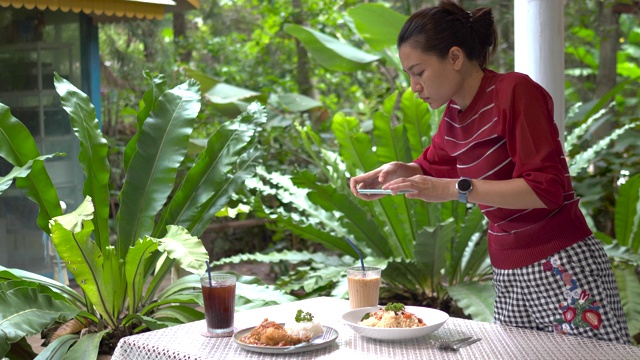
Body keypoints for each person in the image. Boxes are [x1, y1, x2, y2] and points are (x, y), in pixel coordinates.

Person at [349, 0, 630, 345]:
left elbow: (546, 189)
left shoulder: (514, 92)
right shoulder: (453, 116)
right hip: (508, 272)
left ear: (454, 58)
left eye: (419, 72)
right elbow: (434, 164)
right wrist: (395, 171)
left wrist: (456, 189)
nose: (414, 86)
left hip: (561, 263)